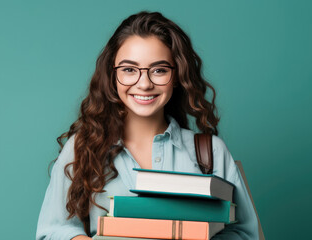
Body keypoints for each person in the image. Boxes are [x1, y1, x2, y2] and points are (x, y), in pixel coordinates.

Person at [36, 11, 259, 240]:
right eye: (129, 70)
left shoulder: (211, 152)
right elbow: (52, 231)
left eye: (159, 70)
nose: (144, 84)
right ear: (112, 75)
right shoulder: (81, 148)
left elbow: (244, 233)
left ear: (178, 75)